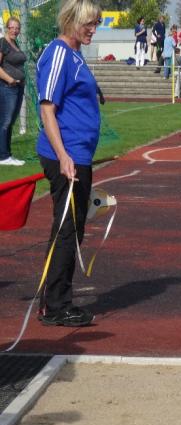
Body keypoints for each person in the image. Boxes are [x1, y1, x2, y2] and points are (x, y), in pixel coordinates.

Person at [35, 0, 102, 327]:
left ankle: (53, 300)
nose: (93, 30)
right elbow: (47, 108)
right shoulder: (59, 53)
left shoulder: (75, 54)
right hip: (67, 156)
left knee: (70, 229)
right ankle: (57, 305)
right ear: (71, 20)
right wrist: (63, 155)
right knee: (67, 230)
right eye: (88, 23)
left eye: (96, 23)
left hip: (78, 154)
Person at [0, 17, 27, 166]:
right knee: (5, 121)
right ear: (7, 28)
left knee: (10, 122)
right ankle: (3, 157)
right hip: (7, 88)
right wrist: (10, 79)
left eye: (17, 28)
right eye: (12, 27)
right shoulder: (3, 42)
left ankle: (7, 154)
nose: (15, 30)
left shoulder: (15, 43)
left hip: (18, 87)